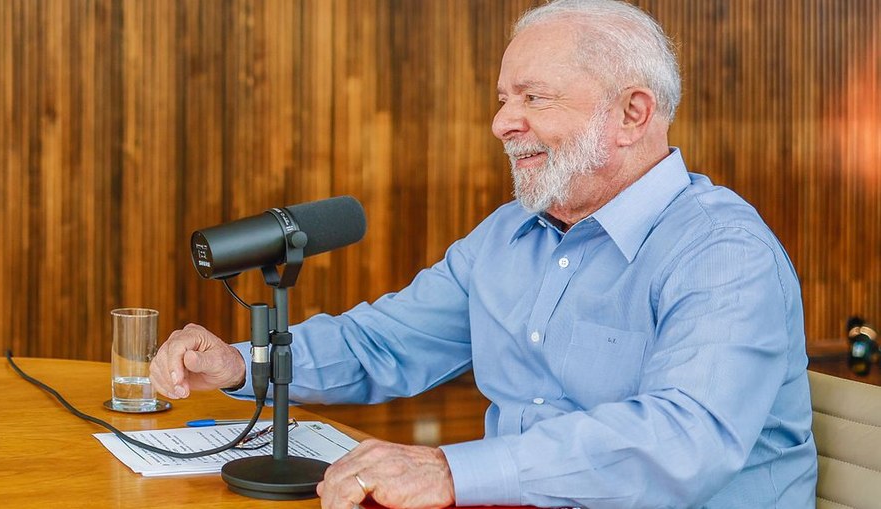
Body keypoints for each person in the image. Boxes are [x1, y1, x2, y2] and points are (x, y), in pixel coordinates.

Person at [151, 0, 818, 507]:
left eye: (533, 97)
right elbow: (384, 343)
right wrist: (245, 361)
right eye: (503, 99)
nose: (501, 121)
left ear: (632, 114)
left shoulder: (724, 252)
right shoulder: (508, 234)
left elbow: (682, 440)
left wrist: (450, 468)